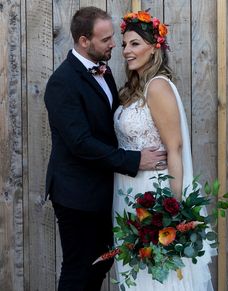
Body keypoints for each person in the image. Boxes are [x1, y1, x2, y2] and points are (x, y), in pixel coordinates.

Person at [44, 6, 167, 291]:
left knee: (100, 264)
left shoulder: (104, 69)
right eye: (106, 39)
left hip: (102, 189)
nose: (115, 44)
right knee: (79, 269)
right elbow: (81, 143)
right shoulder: (62, 83)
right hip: (77, 194)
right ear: (84, 41)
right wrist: (134, 160)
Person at [113, 10, 214, 291]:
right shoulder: (135, 89)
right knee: (140, 274)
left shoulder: (157, 87)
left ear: (153, 47)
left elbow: (175, 149)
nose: (126, 51)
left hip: (153, 194)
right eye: (123, 44)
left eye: (134, 44)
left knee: (161, 276)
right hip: (130, 191)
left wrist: (173, 214)